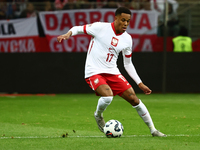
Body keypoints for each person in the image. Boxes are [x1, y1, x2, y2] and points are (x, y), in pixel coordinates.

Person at [57, 7, 166, 137]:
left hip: (113, 72)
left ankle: (153, 130)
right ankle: (98, 115)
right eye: (123, 20)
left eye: (128, 21)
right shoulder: (100, 27)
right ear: (116, 18)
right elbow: (78, 28)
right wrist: (68, 34)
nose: (125, 23)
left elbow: (128, 63)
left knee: (134, 99)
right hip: (94, 71)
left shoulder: (127, 39)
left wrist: (140, 83)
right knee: (108, 96)